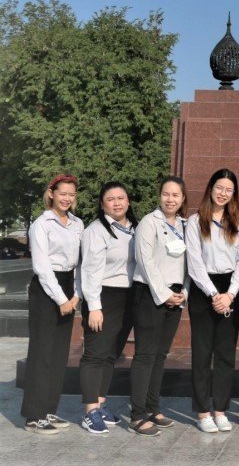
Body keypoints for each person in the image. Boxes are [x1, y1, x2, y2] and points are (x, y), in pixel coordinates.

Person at [21, 174, 83, 434]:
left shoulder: (78, 224)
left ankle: (49, 410)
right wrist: (61, 299)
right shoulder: (41, 224)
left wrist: (76, 295)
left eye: (71, 194)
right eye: (62, 193)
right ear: (52, 193)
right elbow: (42, 267)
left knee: (59, 355)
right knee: (42, 352)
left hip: (69, 285)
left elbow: (82, 262)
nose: (67, 198)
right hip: (47, 290)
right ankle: (34, 416)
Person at [186, 168, 239, 433]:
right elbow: (195, 262)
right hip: (204, 291)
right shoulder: (195, 220)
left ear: (234, 195)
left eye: (228, 190)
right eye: (219, 187)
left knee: (225, 354)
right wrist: (214, 294)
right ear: (210, 188)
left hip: (230, 290)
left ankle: (220, 410)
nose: (223, 193)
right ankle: (202, 412)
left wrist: (230, 294)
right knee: (202, 354)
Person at [129, 175, 189, 437]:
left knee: (160, 355)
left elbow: (189, 262)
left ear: (183, 199)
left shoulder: (186, 225)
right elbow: (145, 262)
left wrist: (184, 291)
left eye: (176, 195)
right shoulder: (148, 223)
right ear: (159, 195)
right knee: (145, 354)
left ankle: (153, 407)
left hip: (175, 295)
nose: (170, 199)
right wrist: (164, 293)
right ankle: (137, 414)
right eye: (166, 194)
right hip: (151, 293)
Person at [79, 181, 137, 434]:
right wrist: (94, 306)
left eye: (121, 198)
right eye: (111, 199)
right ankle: (90, 411)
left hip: (128, 297)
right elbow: (90, 270)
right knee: (95, 354)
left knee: (111, 353)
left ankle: (101, 404)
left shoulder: (134, 228)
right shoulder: (96, 230)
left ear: (128, 201)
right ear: (102, 204)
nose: (117, 203)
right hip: (103, 296)